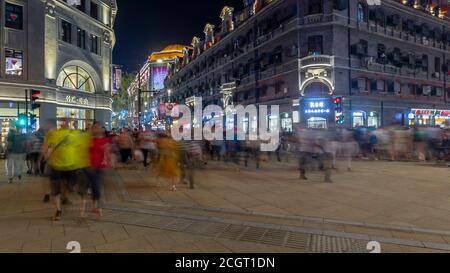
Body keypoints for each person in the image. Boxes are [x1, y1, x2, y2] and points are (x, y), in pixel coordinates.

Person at [42, 119, 84, 221]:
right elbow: (45, 147)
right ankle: (58, 209)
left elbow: (81, 143)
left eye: (67, 121)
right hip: (56, 165)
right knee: (56, 188)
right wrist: (45, 156)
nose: (65, 123)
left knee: (68, 185)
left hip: (71, 166)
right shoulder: (53, 133)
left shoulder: (74, 133)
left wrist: (76, 126)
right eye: (64, 121)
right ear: (60, 123)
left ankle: (64, 198)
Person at [80, 122, 111, 219]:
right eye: (94, 128)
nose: (95, 129)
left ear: (102, 129)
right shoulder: (88, 140)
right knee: (84, 189)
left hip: (98, 169)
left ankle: (95, 207)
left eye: (97, 128)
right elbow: (83, 152)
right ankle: (82, 211)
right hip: (87, 167)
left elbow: (107, 155)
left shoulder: (105, 141)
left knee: (96, 189)